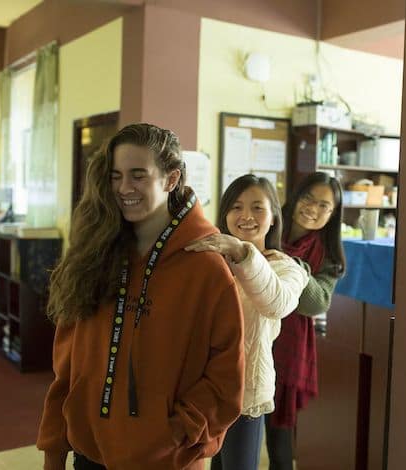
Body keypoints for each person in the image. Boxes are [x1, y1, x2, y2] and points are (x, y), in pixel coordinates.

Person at [36, 123, 245, 470]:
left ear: (171, 179)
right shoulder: (95, 255)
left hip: (168, 460)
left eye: (138, 175)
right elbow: (67, 365)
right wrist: (54, 449)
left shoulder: (206, 268)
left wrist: (177, 432)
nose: (123, 188)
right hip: (89, 456)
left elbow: (226, 375)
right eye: (116, 176)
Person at [185, 174, 308, 470]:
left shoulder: (286, 267)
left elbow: (276, 302)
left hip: (246, 392)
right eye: (236, 207)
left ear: (274, 218)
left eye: (257, 208)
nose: (246, 216)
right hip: (204, 388)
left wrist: (241, 253)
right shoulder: (211, 262)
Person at [265, 172, 346, 470]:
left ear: (333, 213)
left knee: (280, 444)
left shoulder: (329, 255)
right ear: (296, 196)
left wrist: (291, 266)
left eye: (323, 205)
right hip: (249, 341)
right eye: (308, 198)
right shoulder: (267, 227)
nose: (312, 208)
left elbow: (315, 303)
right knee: (233, 438)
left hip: (288, 352)